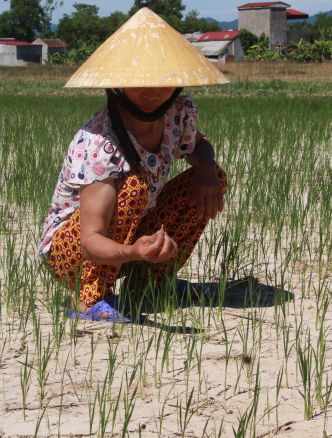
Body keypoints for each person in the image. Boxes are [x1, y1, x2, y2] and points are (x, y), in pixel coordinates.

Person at [38, 8, 230, 322]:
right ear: (119, 84)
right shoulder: (101, 143)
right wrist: (133, 252)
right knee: (133, 185)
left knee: (214, 177)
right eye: (139, 81)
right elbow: (91, 240)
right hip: (74, 252)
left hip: (130, 233)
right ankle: (91, 298)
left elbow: (197, 145)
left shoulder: (177, 113)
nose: (151, 92)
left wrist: (207, 168)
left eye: (162, 82)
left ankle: (149, 284)